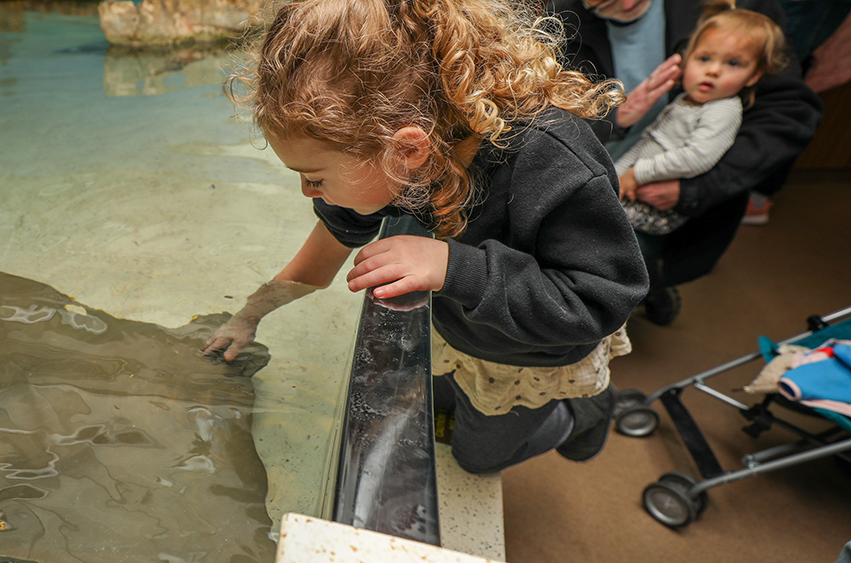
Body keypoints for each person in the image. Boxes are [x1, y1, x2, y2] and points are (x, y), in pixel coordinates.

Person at [203, 0, 649, 474]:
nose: (307, 192)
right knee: (443, 414)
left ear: (408, 149)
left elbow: (602, 298)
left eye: (314, 176)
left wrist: (453, 266)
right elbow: (318, 262)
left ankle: (580, 413)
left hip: (537, 354)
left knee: (476, 459)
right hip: (463, 330)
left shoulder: (554, 162)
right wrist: (249, 316)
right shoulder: (393, 151)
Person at [551, 0, 822, 325]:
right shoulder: (553, 17)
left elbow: (788, 112)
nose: (625, 3)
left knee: (611, 252)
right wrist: (614, 119)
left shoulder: (733, 18)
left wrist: (691, 187)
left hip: (657, 200)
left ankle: (636, 291)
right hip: (602, 170)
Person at [615, 3, 789, 237]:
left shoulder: (722, 109)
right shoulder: (685, 100)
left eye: (733, 63)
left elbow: (696, 158)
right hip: (632, 187)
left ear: (754, 76)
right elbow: (648, 141)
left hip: (656, 209)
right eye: (704, 58)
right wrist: (615, 174)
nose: (714, 70)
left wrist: (637, 174)